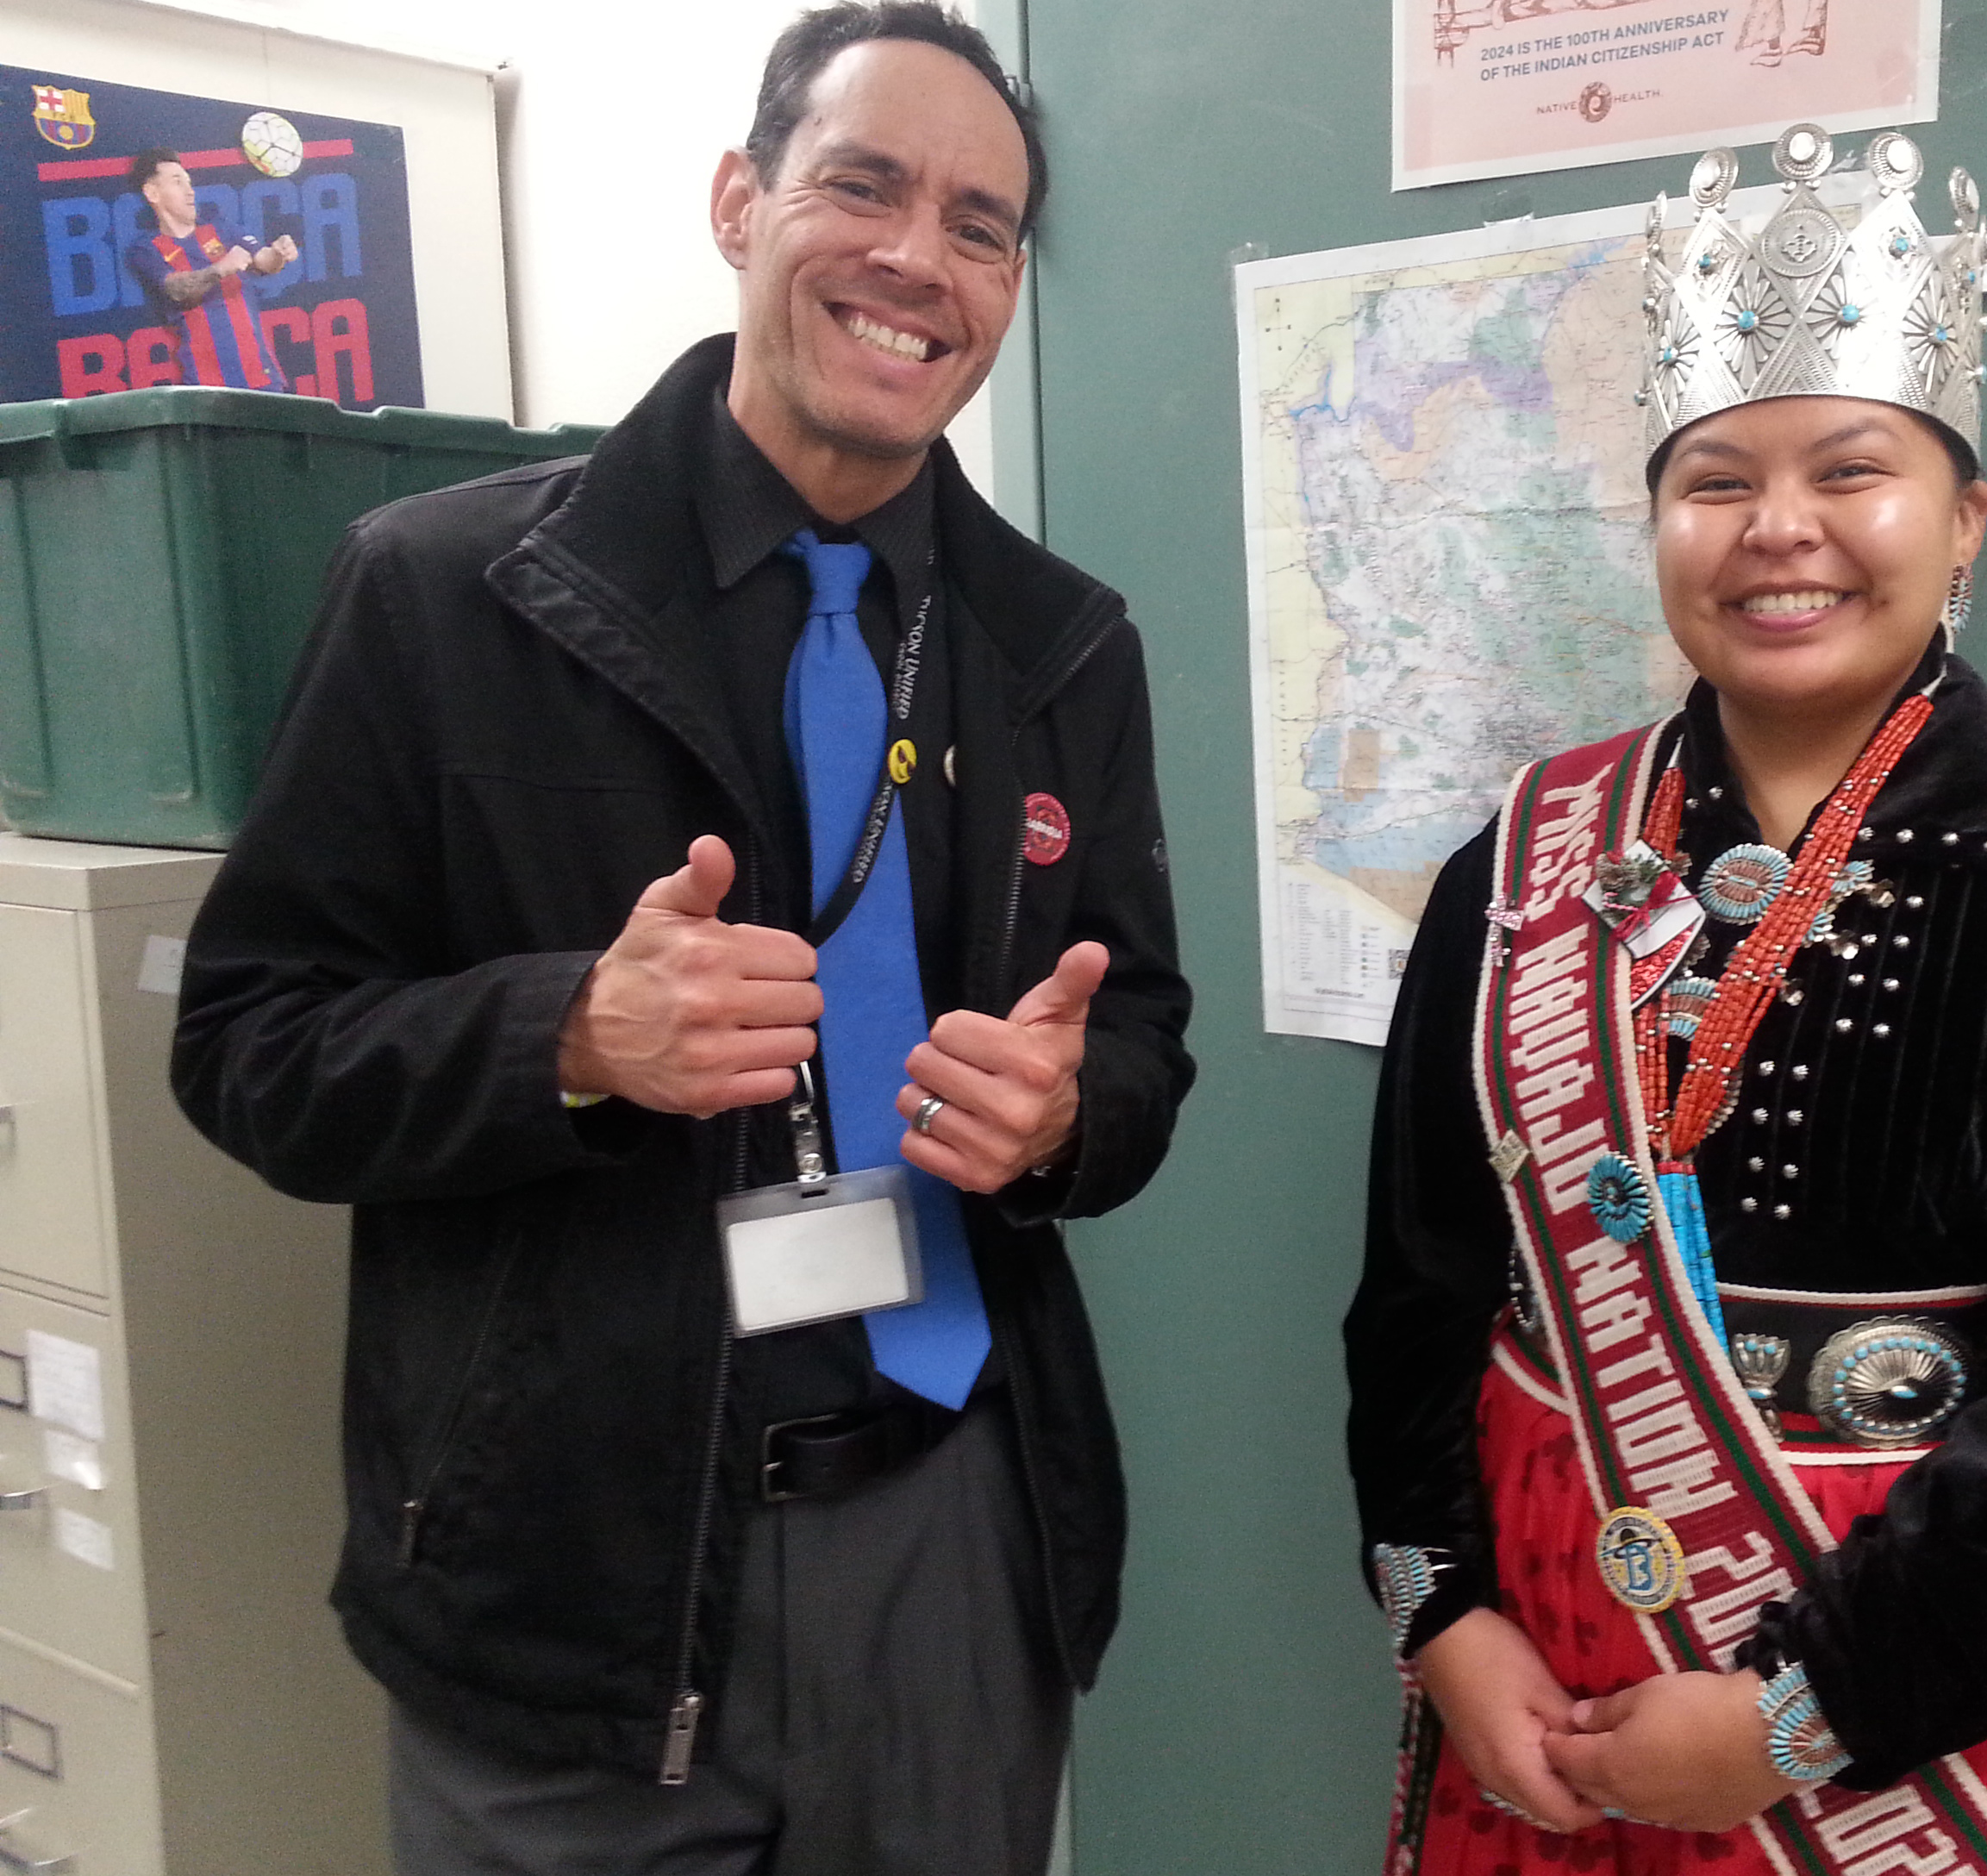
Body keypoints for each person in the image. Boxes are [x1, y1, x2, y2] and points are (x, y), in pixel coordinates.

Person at [170, 8, 1192, 1873]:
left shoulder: (1065, 644)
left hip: (953, 1522)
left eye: (981, 225)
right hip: (579, 1567)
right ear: (742, 202)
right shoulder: (445, 592)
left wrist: (1065, 1114)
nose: (917, 261)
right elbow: (249, 1043)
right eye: (862, 186)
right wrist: (567, 1033)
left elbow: (1145, 1039)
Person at [1347, 124, 1987, 1876]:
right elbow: (1416, 1289)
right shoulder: (1522, 861)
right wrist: (1440, 1609)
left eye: (1853, 469)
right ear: (1658, 521)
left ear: (1965, 516)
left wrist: (1798, 1711)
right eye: (1715, 483)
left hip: (1932, 1670)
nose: (1781, 531)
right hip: (1556, 1641)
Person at [123, 147, 298, 391]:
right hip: (206, 388)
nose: (190, 191)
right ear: (152, 193)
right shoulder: (146, 249)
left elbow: (264, 261)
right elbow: (176, 289)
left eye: (189, 182)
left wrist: (279, 253)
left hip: (262, 378)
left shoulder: (222, 229)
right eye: (177, 182)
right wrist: (221, 269)